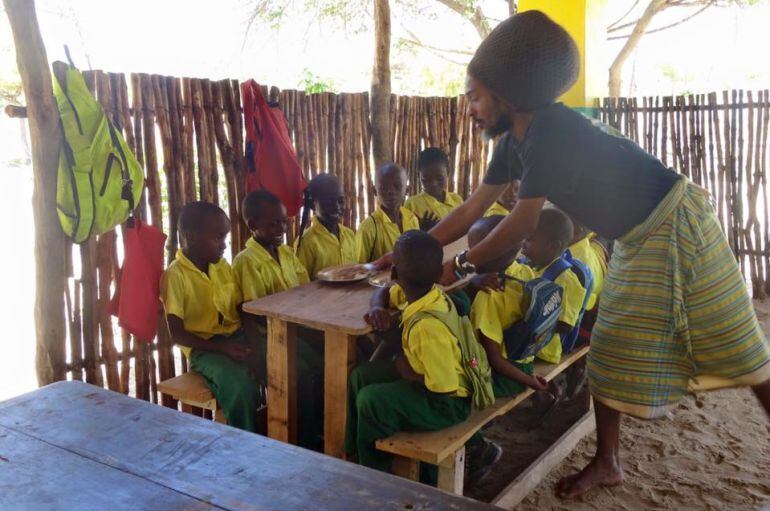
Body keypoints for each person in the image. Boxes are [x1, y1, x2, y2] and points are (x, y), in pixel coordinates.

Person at [377, 10, 770, 498]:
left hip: (677, 222)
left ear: (506, 95)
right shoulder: (513, 141)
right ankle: (609, 463)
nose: (470, 108)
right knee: (606, 351)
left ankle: (609, 460)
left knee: (742, 348)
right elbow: (474, 205)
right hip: (638, 237)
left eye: (475, 96)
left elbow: (521, 221)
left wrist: (453, 266)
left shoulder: (550, 132)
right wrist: (409, 251)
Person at [345, 230, 472, 483]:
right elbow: (383, 292)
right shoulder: (421, 293)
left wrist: (407, 373)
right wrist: (377, 307)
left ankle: (375, 476)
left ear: (393, 272)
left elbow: (444, 388)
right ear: (439, 274)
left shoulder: (427, 327)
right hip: (426, 377)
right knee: (361, 375)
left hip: (449, 404)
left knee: (371, 400)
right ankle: (354, 454)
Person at [160, 201, 261, 433]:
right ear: (191, 236)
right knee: (239, 386)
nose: (224, 245)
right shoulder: (176, 276)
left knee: (280, 363)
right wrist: (224, 349)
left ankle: (286, 437)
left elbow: (241, 308)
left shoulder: (222, 267)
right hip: (203, 348)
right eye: (217, 238)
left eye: (224, 237)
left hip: (236, 337)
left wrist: (255, 346)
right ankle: (246, 443)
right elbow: (177, 334)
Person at [233, 190, 322, 449]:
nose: (281, 228)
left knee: (323, 363)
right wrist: (259, 354)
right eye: (273, 223)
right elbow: (251, 313)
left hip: (294, 330)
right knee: (301, 374)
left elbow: (303, 290)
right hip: (269, 336)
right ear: (252, 225)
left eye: (284, 222)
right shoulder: (247, 261)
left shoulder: (285, 254)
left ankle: (315, 428)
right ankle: (304, 440)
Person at [518, 209, 587, 365]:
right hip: (522, 342)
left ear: (552, 246)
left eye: (530, 240)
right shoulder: (529, 266)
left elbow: (566, 325)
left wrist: (532, 320)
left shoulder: (567, 280)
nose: (524, 243)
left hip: (543, 352)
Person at [294, 173, 357, 280]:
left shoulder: (349, 235)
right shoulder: (307, 242)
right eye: (328, 202)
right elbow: (301, 284)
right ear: (313, 205)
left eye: (340, 201)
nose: (336, 207)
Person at [356, 163, 419, 263]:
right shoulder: (368, 228)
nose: (391, 192)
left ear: (407, 190)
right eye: (384, 187)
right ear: (374, 191)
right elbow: (360, 268)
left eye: (397, 186)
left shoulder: (412, 219)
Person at [404, 148, 463, 231]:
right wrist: (422, 231)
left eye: (439, 178)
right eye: (426, 179)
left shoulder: (457, 200)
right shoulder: (412, 204)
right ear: (419, 175)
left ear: (448, 173)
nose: (433, 184)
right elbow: (407, 237)